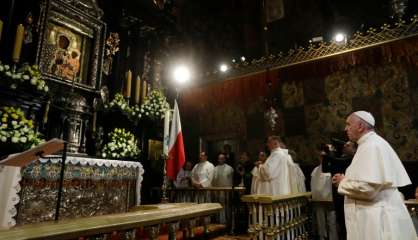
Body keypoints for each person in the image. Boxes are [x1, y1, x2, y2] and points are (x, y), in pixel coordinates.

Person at [332, 111, 416, 240]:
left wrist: (342, 182)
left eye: (348, 124)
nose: (345, 128)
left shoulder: (371, 146)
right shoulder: (368, 145)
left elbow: (368, 188)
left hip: (377, 220)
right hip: (372, 216)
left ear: (360, 126)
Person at [311, 152, 339, 240]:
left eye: (324, 156)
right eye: (320, 157)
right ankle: (322, 237)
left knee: (332, 221)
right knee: (320, 222)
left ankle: (333, 238)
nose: (322, 158)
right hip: (318, 199)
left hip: (330, 199)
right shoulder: (315, 170)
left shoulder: (332, 167)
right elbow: (313, 184)